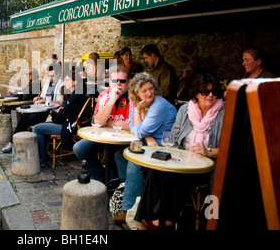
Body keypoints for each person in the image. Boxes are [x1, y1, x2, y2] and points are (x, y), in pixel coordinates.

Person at [135, 73, 225, 230]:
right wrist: (178, 156)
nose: (210, 95)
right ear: (196, 94)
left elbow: (229, 148)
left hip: (207, 167)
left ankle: (166, 220)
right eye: (205, 91)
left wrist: (208, 151)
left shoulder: (223, 115)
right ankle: (145, 218)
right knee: (157, 171)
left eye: (213, 92)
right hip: (183, 160)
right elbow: (174, 139)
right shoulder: (185, 110)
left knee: (176, 175)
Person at [113, 72, 177, 223]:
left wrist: (138, 115)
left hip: (164, 148)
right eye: (144, 91)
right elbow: (132, 126)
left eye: (151, 89)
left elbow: (138, 131)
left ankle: (130, 208)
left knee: (134, 162)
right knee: (119, 156)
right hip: (150, 144)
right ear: (137, 93)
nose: (149, 93)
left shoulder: (158, 105)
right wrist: (146, 135)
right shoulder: (140, 103)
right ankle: (134, 197)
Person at [73, 65, 133, 182]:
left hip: (124, 140)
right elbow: (98, 122)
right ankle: (100, 177)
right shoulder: (104, 95)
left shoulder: (132, 98)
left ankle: (113, 183)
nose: (118, 84)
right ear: (109, 82)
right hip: (104, 136)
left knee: (110, 152)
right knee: (79, 147)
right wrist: (112, 100)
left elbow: (130, 125)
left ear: (128, 83)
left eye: (122, 81)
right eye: (115, 81)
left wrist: (108, 122)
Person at [2, 64, 64, 153]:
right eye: (48, 75)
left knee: (27, 119)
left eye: (52, 76)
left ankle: (17, 143)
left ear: (58, 74)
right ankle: (15, 142)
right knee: (25, 115)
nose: (50, 77)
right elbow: (42, 97)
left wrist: (44, 101)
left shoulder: (62, 85)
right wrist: (38, 98)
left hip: (51, 112)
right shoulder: (47, 83)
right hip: (42, 109)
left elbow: (60, 102)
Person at [33, 67, 87, 167]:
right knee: (40, 124)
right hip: (67, 123)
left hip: (69, 127)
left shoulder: (76, 96)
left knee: (37, 128)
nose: (65, 82)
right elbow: (64, 112)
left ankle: (42, 159)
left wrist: (53, 113)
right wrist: (59, 111)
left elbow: (59, 117)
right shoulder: (75, 95)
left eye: (67, 80)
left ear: (74, 82)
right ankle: (43, 155)